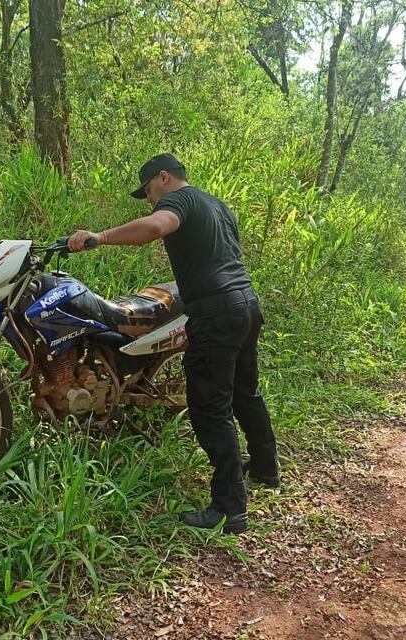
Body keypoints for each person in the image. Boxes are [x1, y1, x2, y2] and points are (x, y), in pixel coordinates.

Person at [67, 153, 280, 534]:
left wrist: (98, 237)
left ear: (164, 178)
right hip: (245, 304)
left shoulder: (177, 200)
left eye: (149, 191)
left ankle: (230, 508)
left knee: (209, 408)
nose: (150, 200)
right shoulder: (217, 204)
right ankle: (265, 468)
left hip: (216, 313)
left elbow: (156, 227)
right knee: (244, 392)